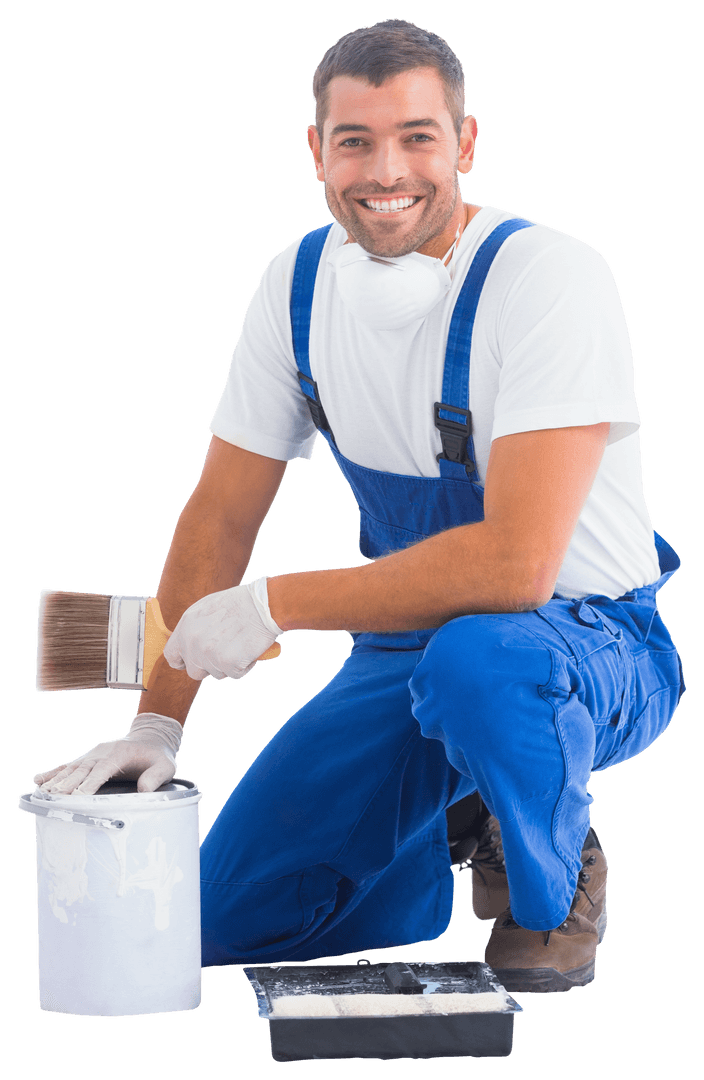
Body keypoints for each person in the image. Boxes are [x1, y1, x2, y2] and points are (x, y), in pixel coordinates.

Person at [33, 20, 684, 993]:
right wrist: (156, 728)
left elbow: (515, 570)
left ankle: (549, 878)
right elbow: (219, 516)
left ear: (463, 143)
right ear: (315, 152)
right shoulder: (295, 290)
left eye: (417, 136)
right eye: (355, 140)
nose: (386, 170)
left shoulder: (548, 281)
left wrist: (272, 605)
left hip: (584, 640)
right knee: (216, 922)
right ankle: (448, 813)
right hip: (403, 646)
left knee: (482, 662)